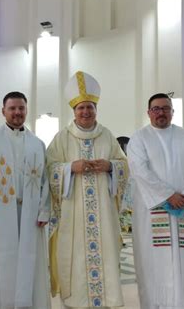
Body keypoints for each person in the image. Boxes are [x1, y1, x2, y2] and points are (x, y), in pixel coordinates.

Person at [46, 71, 129, 308]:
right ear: (74, 111)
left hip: (103, 216)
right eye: (81, 108)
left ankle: (106, 300)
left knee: (105, 256)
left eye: (90, 107)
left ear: (96, 110)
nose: (85, 112)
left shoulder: (107, 136)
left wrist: (110, 166)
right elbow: (49, 169)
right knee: (75, 259)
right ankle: (75, 301)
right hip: (73, 216)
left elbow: (125, 166)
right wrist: (71, 167)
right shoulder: (62, 138)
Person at [127, 93, 184, 309]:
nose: (161, 112)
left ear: (173, 111)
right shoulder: (139, 138)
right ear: (148, 112)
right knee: (155, 264)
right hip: (153, 212)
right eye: (156, 108)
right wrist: (168, 195)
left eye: (165, 108)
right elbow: (140, 171)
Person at [0, 91, 50, 309]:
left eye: (21, 108)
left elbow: (44, 179)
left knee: (29, 258)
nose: (17, 112)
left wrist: (44, 210)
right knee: (2, 259)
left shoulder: (37, 143)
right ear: (3, 111)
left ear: (26, 110)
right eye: (12, 108)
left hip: (30, 211)